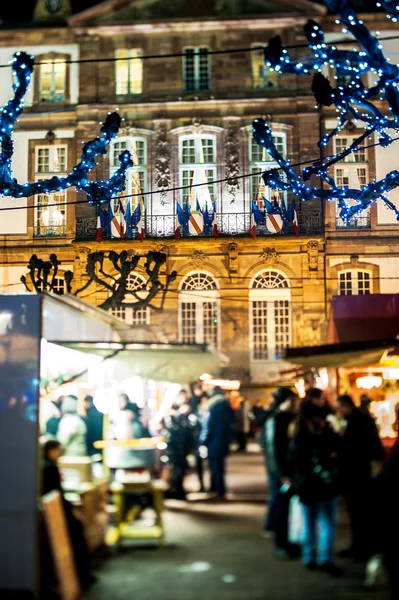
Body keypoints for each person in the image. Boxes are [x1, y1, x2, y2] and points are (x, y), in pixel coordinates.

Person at [291, 388, 342, 577]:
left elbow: (293, 455)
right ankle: (325, 559)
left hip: (305, 481)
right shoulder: (326, 423)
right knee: (328, 522)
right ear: (317, 400)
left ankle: (309, 557)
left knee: (309, 521)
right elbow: (335, 447)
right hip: (324, 481)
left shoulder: (298, 424)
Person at [337, 394, 385, 561]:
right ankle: (359, 546)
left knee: (361, 513)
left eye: (340, 408)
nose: (339, 411)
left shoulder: (357, 421)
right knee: (358, 513)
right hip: (357, 473)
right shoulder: (357, 419)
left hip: (358, 474)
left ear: (346, 406)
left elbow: (360, 446)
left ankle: (363, 548)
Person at [41, 440, 94, 589]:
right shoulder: (50, 467)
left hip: (56, 511)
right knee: (77, 539)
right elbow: (57, 495)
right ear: (51, 450)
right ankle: (83, 576)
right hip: (59, 513)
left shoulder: (45, 466)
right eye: (59, 449)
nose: (61, 453)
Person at [258, 387, 297, 535]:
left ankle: (273, 525)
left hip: (275, 464)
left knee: (277, 495)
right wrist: (282, 471)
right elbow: (275, 446)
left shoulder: (278, 416)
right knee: (278, 496)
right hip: (277, 465)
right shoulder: (277, 418)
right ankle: (273, 527)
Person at [268, 390, 301, 559]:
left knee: (289, 509)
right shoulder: (279, 420)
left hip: (289, 472)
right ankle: (282, 545)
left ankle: (289, 543)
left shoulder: (286, 418)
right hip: (284, 474)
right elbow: (275, 450)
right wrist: (283, 474)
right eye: (294, 400)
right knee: (283, 509)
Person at [200, 386, 234, 499]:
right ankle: (218, 489)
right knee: (219, 466)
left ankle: (219, 490)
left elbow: (209, 426)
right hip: (223, 441)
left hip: (214, 442)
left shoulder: (213, 408)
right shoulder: (226, 406)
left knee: (215, 467)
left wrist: (203, 441)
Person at [162, 390, 197, 499]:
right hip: (175, 446)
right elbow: (172, 429)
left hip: (183, 445)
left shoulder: (186, 411)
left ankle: (178, 489)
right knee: (178, 468)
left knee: (181, 468)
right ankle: (174, 490)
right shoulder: (172, 412)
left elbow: (191, 427)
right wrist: (179, 414)